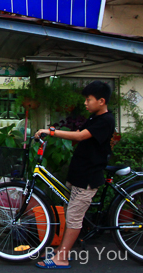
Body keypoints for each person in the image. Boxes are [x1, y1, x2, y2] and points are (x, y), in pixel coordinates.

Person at [34, 80, 115, 269]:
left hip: (88, 177)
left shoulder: (106, 120)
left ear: (101, 101)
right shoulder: (95, 118)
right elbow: (79, 132)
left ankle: (61, 258)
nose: (85, 103)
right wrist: (55, 132)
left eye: (89, 99)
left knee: (74, 217)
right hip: (79, 173)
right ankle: (62, 250)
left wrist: (51, 132)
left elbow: (80, 136)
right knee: (71, 213)